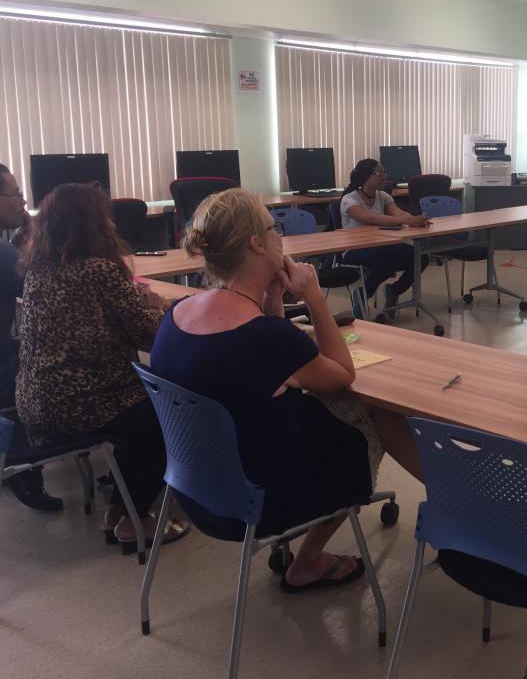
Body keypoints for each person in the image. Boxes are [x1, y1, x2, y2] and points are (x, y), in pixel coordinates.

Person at [150, 188, 423, 592]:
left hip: (196, 490)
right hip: (260, 502)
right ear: (257, 244)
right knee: (369, 422)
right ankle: (309, 562)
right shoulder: (264, 336)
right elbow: (341, 374)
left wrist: (272, 298)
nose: (280, 236)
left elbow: (264, 361)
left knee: (332, 415)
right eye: (273, 228)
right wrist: (313, 297)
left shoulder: (178, 314)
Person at [15, 183, 188, 547]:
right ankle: (134, 519)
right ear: (89, 224)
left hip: (37, 404)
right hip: (85, 404)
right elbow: (151, 336)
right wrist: (156, 306)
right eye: (106, 217)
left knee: (137, 415)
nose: (112, 225)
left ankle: (119, 510)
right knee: (170, 418)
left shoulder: (38, 271)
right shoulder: (99, 271)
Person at [0, 164, 62, 512]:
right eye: (16, 194)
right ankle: (22, 466)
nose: (23, 202)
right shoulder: (4, 255)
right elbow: (54, 287)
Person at [336, 158, 430, 320]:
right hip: (354, 248)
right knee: (386, 262)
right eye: (379, 173)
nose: (384, 177)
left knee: (421, 257)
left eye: (384, 173)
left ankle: (394, 291)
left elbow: (398, 213)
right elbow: (371, 219)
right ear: (366, 176)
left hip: (381, 244)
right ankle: (362, 293)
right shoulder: (349, 199)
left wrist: (414, 219)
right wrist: (407, 220)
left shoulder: (383, 196)